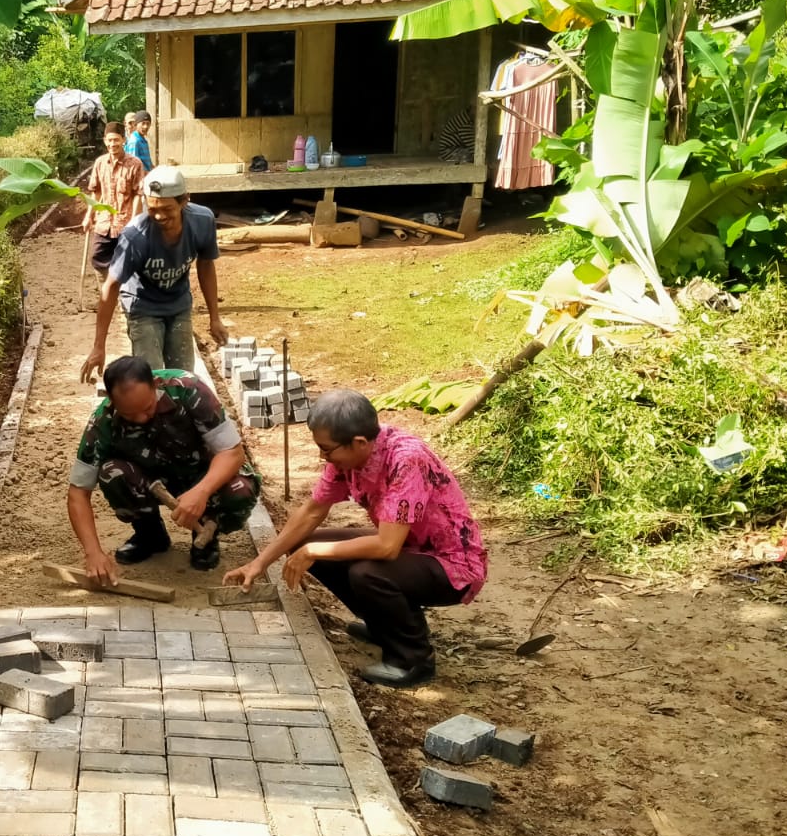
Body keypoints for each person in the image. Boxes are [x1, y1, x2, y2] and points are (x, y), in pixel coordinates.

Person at [224, 389, 487, 688]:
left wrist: (315, 551)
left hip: (451, 564)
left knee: (367, 573)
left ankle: (413, 659)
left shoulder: (406, 460)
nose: (323, 457)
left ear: (359, 442)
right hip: (409, 547)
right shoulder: (348, 458)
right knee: (306, 543)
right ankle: (383, 626)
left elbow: (386, 547)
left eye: (327, 450)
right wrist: (260, 563)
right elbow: (312, 511)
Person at [69, 357, 261, 574]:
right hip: (149, 480)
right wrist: (93, 552)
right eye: (129, 415)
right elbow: (78, 492)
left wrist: (201, 492)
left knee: (240, 489)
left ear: (156, 384)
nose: (141, 419)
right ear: (112, 401)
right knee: (111, 472)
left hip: (201, 475)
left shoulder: (189, 390)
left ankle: (206, 535)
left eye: (147, 408)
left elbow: (233, 453)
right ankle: (150, 535)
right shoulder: (103, 420)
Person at [79, 165, 228, 380]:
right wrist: (99, 346)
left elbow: (206, 265)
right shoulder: (135, 236)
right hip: (142, 307)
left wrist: (215, 318)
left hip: (179, 305)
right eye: (152, 209)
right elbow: (110, 287)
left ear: (185, 201)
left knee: (183, 377)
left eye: (167, 209)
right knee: (152, 377)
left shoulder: (202, 221)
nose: (159, 216)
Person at [82, 121, 146, 278]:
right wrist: (88, 216)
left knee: (126, 263)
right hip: (104, 223)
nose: (112, 144)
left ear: (123, 140)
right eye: (109, 140)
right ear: (105, 141)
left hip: (124, 224)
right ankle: (106, 289)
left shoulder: (135, 164)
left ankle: (122, 291)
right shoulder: (100, 163)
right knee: (97, 259)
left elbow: (138, 195)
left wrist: (133, 222)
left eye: (116, 140)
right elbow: (96, 192)